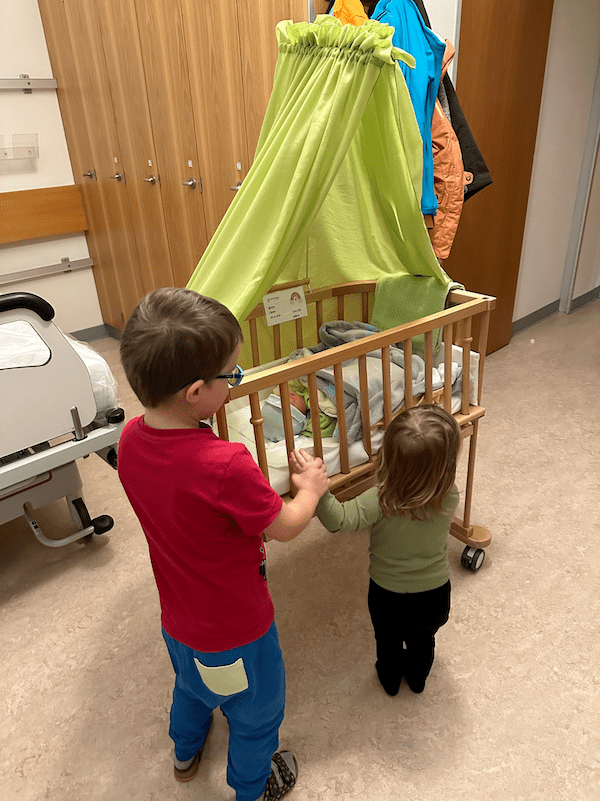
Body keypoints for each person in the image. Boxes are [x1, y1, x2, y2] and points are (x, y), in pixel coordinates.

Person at [117, 287, 329, 801]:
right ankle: (252, 789)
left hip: (178, 620)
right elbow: (284, 526)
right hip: (236, 630)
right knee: (256, 714)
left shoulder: (129, 441)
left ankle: (184, 755)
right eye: (231, 376)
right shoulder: (226, 465)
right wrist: (310, 489)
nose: (237, 382)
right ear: (195, 392)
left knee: (191, 690)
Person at [291, 404, 461, 696]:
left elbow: (339, 520)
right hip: (434, 597)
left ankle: (390, 680)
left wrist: (318, 491)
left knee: (388, 641)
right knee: (423, 641)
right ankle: (418, 679)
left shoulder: (381, 499)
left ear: (387, 458)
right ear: (446, 467)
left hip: (387, 597)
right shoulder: (449, 495)